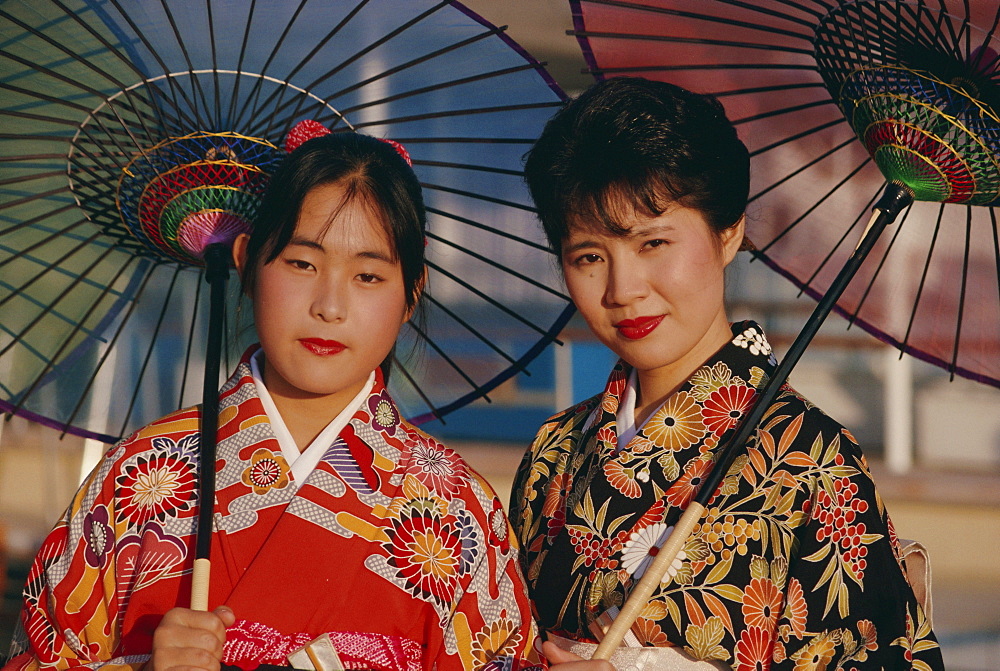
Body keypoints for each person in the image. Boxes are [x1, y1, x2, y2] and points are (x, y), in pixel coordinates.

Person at [5, 129, 543, 671]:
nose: (330, 306)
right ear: (245, 261)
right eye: (301, 264)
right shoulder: (140, 477)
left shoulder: (459, 511)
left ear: (412, 294)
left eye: (368, 275)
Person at [509, 77, 944, 670]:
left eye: (653, 243)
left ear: (728, 231)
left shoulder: (812, 460)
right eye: (588, 257)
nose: (623, 290)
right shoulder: (554, 454)